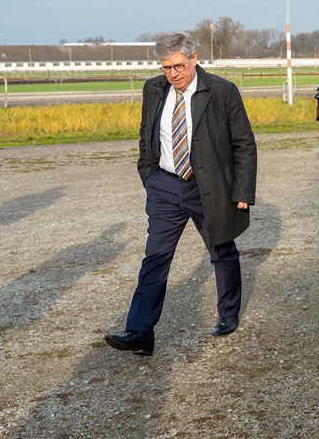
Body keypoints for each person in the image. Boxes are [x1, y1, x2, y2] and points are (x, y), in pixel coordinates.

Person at [104, 32, 257, 356]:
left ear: (194, 59)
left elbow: (244, 143)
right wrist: (149, 175)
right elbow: (147, 134)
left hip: (209, 186)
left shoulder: (221, 91)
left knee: (221, 249)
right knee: (155, 257)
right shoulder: (154, 89)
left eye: (178, 66)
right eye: (165, 68)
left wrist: (242, 190)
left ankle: (228, 313)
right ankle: (140, 331)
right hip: (166, 185)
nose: (173, 74)